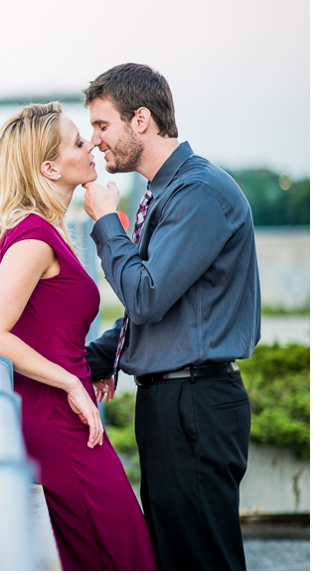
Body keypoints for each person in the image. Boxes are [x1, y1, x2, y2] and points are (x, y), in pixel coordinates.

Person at [81, 63, 260, 570]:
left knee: (201, 559)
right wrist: (94, 359)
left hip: (195, 403)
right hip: (174, 403)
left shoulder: (198, 193)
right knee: (175, 555)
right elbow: (158, 310)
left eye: (101, 125)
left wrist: (106, 225)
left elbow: (146, 296)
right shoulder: (165, 192)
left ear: (141, 120)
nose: (95, 142)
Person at [0, 102, 157, 571]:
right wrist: (71, 381)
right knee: (125, 553)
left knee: (103, 552)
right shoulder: (33, 237)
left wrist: (85, 371)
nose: (92, 142)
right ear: (49, 167)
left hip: (62, 416)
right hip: (59, 421)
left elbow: (44, 328)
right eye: (78, 141)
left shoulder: (43, 229)